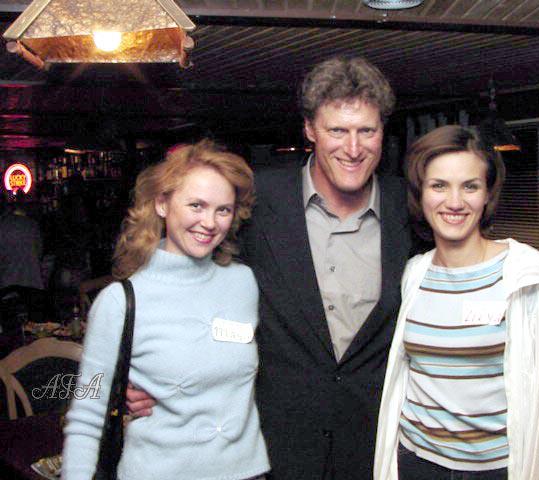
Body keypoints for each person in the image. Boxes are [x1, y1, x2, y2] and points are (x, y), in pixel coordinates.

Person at [128, 56, 414, 479]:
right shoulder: (256, 199)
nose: (353, 149)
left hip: (377, 444)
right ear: (310, 129)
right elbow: (188, 277)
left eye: (366, 131)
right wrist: (149, 368)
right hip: (275, 443)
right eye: (337, 131)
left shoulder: (410, 206)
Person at [62, 140, 270, 480]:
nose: (209, 222)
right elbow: (86, 411)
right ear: (162, 203)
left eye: (223, 210)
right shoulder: (118, 302)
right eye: (196, 205)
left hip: (248, 473)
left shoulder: (243, 283)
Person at [374, 125, 539, 480]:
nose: (454, 202)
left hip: (495, 469)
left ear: (487, 194)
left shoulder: (523, 274)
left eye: (470, 186)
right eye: (439, 186)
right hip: (416, 462)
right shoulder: (414, 273)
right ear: (420, 193)